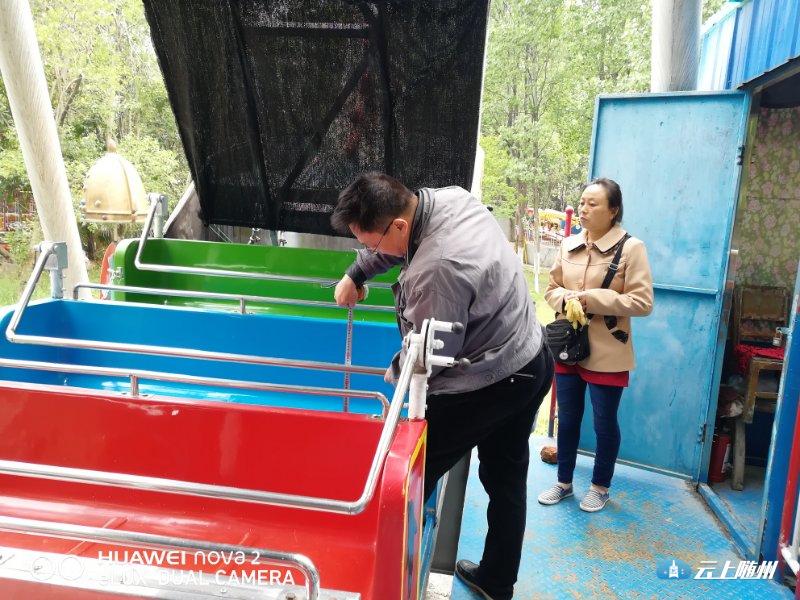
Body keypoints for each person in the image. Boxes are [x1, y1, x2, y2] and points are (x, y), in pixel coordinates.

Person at [331, 172, 553, 600]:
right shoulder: (449, 199)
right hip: (529, 353)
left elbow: (428, 359)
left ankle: (377, 579)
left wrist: (391, 387)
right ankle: (496, 582)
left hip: (493, 379)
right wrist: (356, 272)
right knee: (506, 480)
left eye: (371, 245)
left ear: (398, 225)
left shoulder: (438, 271)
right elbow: (397, 246)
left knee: (403, 474)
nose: (372, 252)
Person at [537, 178, 653, 512]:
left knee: (604, 422)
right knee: (567, 418)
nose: (584, 209)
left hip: (608, 350)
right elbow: (551, 289)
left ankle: (600, 487)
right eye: (582, 203)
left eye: (593, 204)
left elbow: (643, 302)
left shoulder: (631, 248)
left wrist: (593, 299)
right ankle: (563, 483)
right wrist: (567, 298)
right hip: (568, 344)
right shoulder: (568, 244)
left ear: (613, 210)